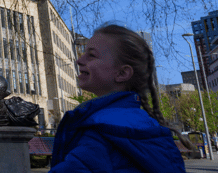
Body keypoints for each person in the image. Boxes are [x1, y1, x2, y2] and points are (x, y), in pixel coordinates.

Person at [50, 24, 188, 173]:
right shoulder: (145, 126)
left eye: (91, 55)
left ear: (122, 73)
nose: (79, 60)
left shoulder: (101, 133)